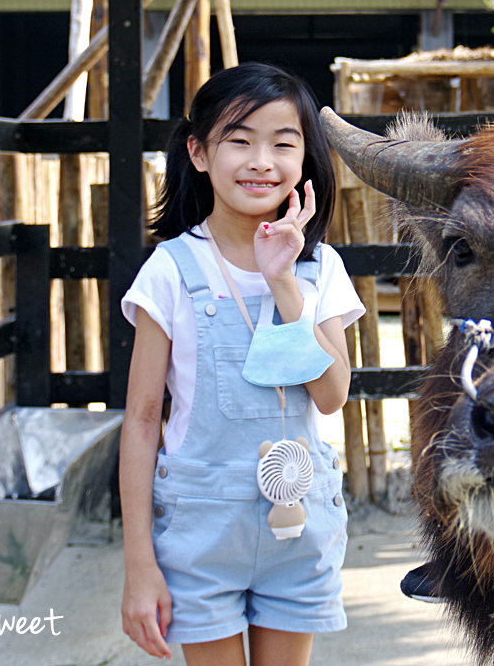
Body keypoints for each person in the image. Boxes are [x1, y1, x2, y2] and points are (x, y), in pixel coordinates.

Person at [118, 63, 362, 665]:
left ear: (306, 157)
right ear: (199, 153)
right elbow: (143, 420)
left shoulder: (319, 267)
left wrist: (284, 282)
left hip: (298, 523)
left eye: (283, 143)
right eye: (239, 140)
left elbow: (332, 394)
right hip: (201, 529)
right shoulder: (171, 269)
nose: (261, 161)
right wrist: (138, 565)